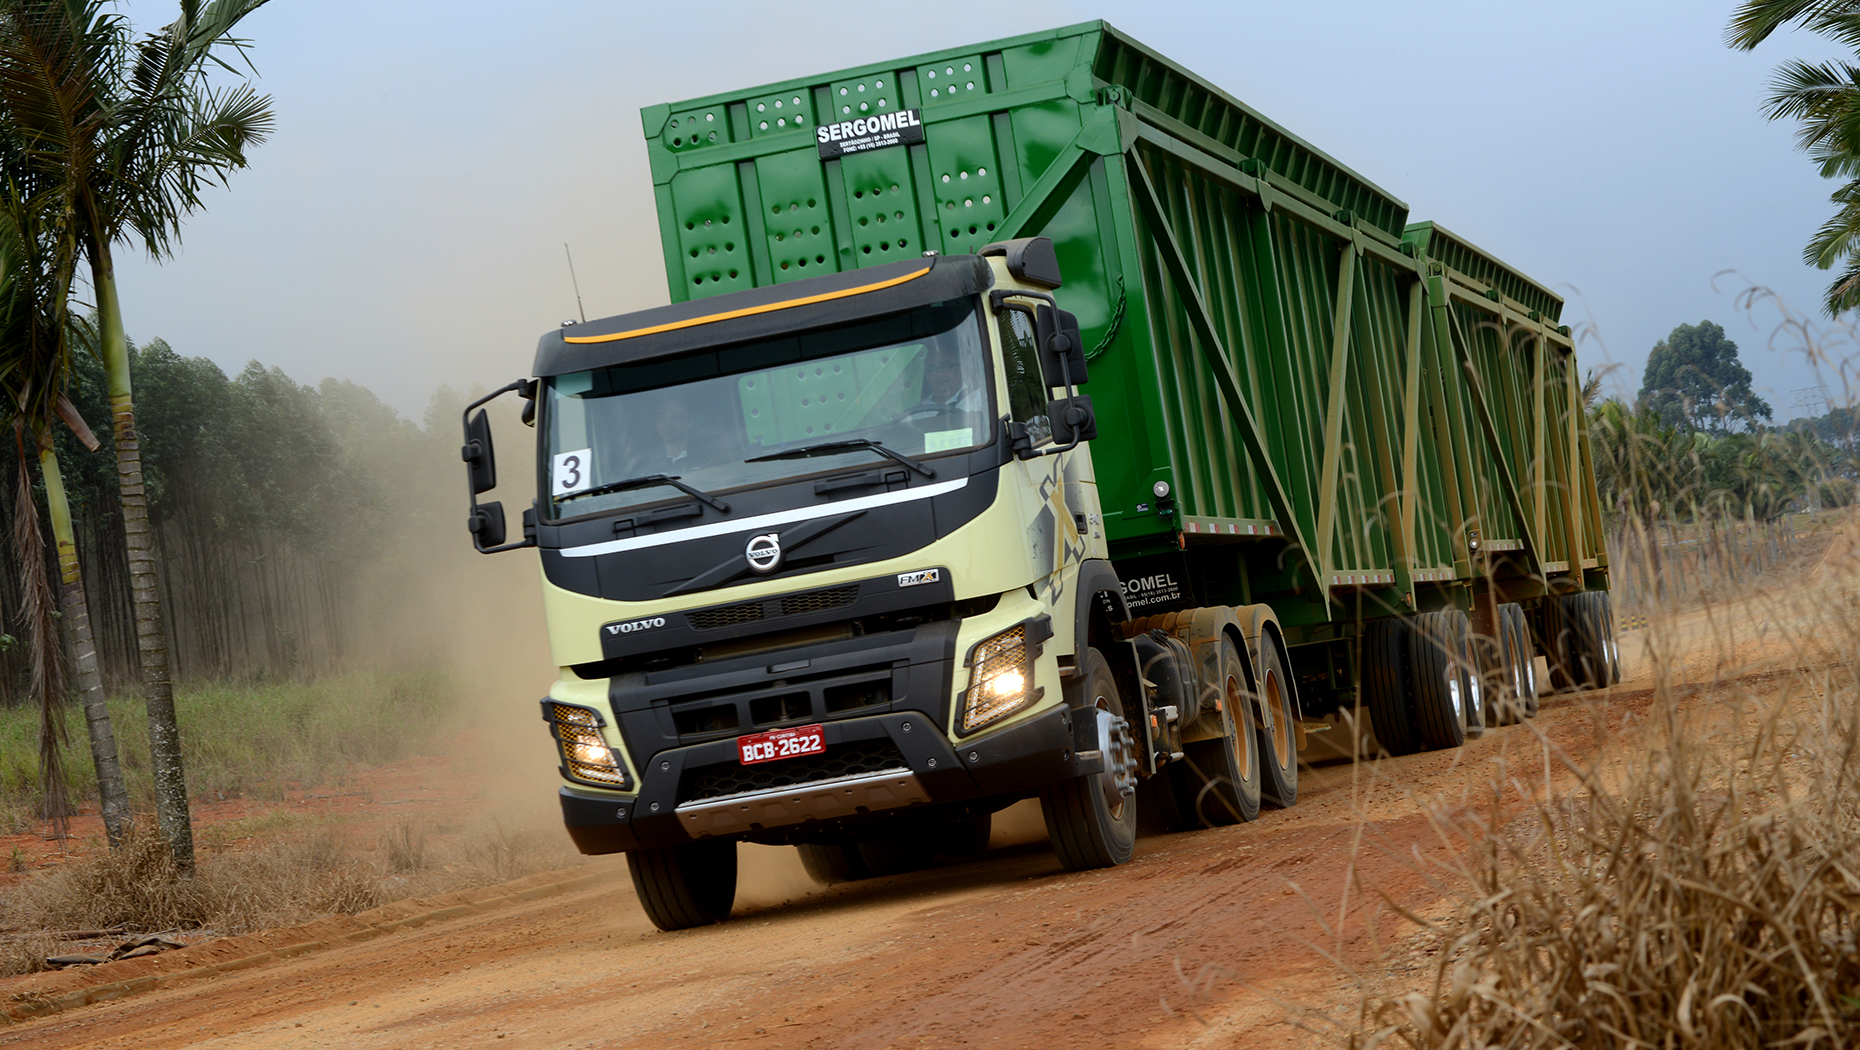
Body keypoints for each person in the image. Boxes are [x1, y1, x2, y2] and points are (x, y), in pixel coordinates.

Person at [900, 343, 984, 422]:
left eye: (946, 366)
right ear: (926, 375)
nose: (939, 373)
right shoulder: (914, 414)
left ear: (961, 369)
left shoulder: (980, 399)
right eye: (932, 369)